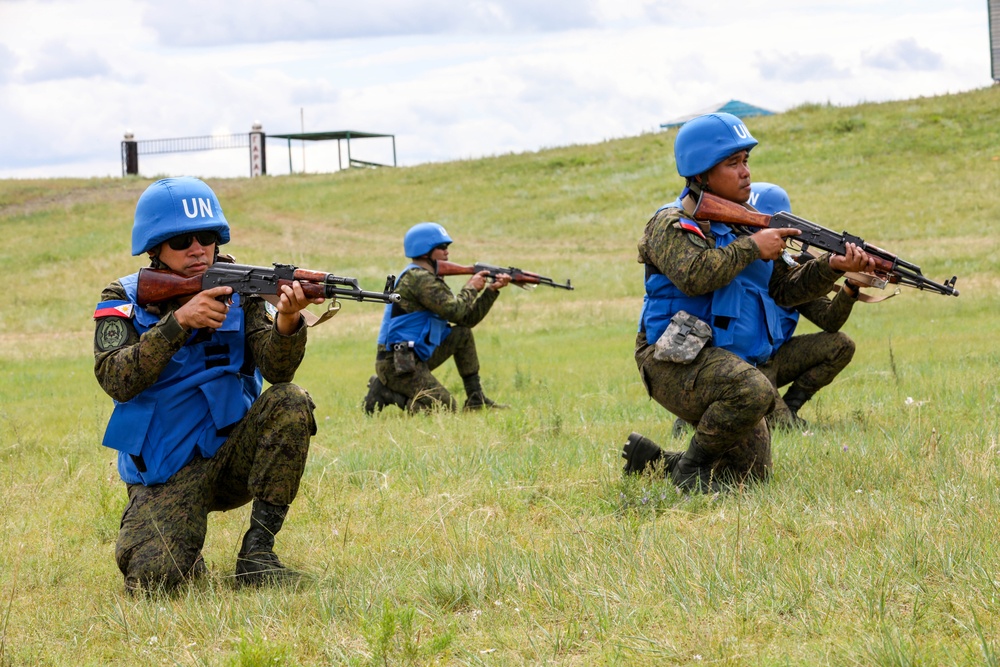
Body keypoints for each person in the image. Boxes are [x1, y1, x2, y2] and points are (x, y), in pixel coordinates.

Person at [621, 113, 875, 492]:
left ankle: (660, 461)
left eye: (746, 161)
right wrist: (753, 247)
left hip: (722, 361)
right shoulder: (669, 224)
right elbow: (695, 274)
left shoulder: (744, 227)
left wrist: (833, 266)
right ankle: (688, 475)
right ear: (702, 173)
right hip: (670, 361)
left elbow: (786, 291)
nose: (746, 173)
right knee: (754, 391)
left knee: (750, 475)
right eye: (733, 163)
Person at [93, 177, 321, 593]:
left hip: (232, 453)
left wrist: (288, 321)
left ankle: (258, 554)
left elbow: (278, 370)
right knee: (153, 581)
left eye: (207, 237)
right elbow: (115, 378)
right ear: (155, 248)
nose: (197, 248)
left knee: (290, 401)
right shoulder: (124, 296)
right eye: (181, 241)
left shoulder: (243, 284)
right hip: (167, 471)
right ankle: (180, 546)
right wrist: (177, 324)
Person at [671, 182, 865, 434]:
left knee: (841, 346)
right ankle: (693, 415)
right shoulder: (723, 262)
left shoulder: (787, 267)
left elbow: (829, 319)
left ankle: (790, 406)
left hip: (771, 360)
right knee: (784, 430)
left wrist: (850, 284)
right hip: (732, 366)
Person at [363, 222, 511, 413]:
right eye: (442, 247)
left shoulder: (427, 277)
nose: (447, 252)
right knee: (445, 408)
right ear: (425, 251)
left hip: (414, 356)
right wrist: (472, 287)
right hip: (396, 364)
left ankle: (476, 397)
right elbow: (455, 311)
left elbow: (467, 320)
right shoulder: (419, 279)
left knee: (462, 333)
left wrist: (491, 291)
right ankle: (386, 392)